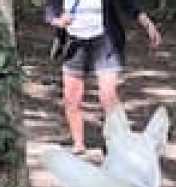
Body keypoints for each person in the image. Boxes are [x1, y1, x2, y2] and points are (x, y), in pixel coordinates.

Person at [45, 0, 162, 154]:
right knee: (71, 98)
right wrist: (59, 21)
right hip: (74, 43)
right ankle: (78, 144)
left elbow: (129, 5)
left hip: (105, 41)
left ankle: (117, 138)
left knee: (108, 95)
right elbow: (51, 10)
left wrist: (149, 26)